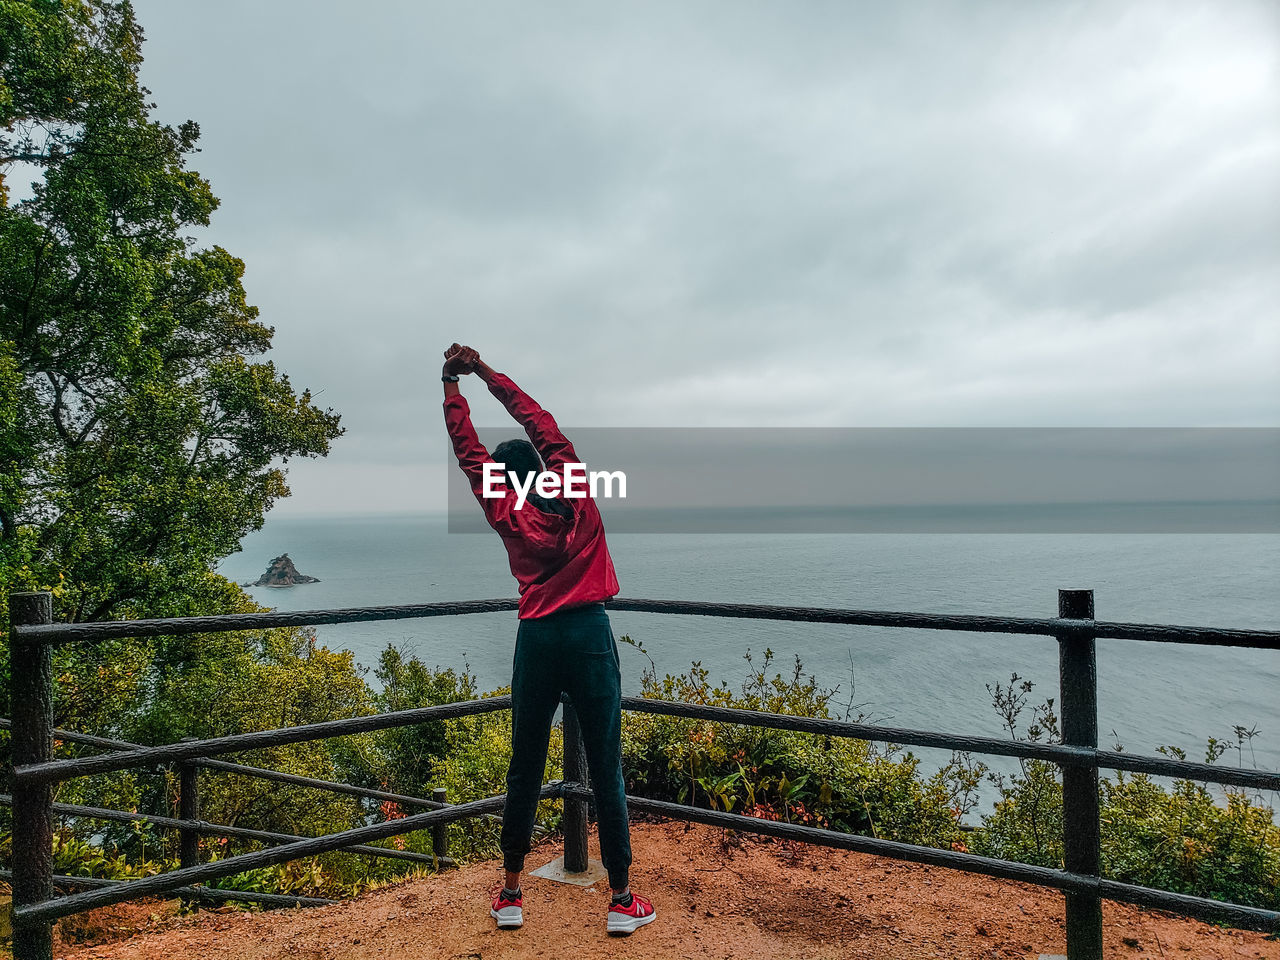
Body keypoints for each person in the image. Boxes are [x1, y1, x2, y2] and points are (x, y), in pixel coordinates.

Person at [440, 343, 656, 936]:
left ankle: (510, 893)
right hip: (588, 633)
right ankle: (621, 899)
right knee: (606, 767)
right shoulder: (577, 488)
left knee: (525, 765)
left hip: (536, 638)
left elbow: (469, 453)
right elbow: (537, 419)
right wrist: (483, 372)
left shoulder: (503, 509)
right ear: (542, 465)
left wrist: (450, 389)